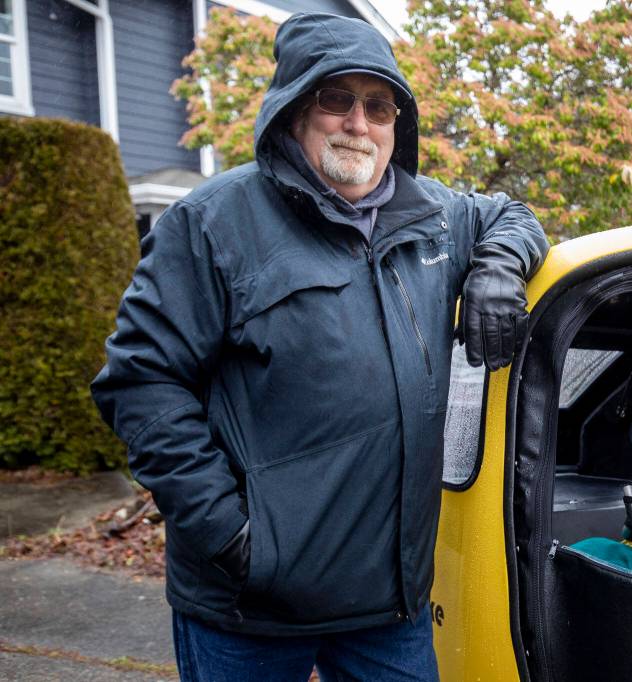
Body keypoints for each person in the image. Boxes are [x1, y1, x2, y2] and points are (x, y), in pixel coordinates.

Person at [91, 12, 547, 681]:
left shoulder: (436, 218)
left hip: (388, 609)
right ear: (294, 109)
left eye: (379, 105)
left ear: (398, 122)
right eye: (337, 99)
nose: (358, 123)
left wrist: (499, 267)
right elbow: (140, 382)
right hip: (248, 609)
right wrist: (231, 537)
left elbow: (516, 215)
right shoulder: (213, 224)